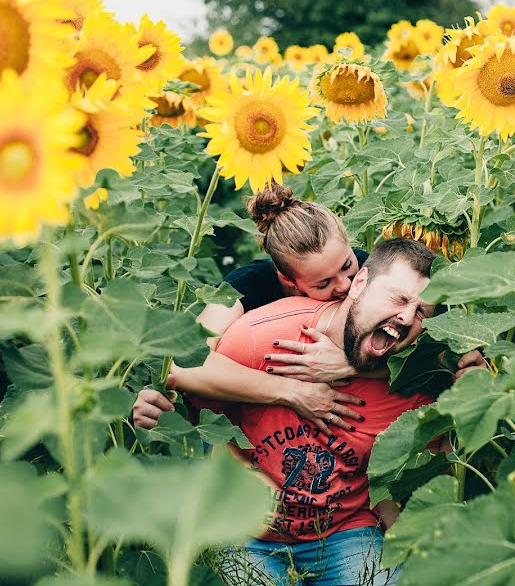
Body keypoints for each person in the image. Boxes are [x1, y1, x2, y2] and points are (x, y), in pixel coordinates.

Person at [179, 238, 441, 586]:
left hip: (345, 532)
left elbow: (433, 461)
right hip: (246, 529)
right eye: (399, 298)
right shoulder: (266, 336)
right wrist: (291, 393)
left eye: (422, 311)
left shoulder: (412, 381)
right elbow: (190, 385)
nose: (408, 315)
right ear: (360, 284)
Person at [135, 182, 379, 434]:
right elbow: (186, 361)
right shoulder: (250, 283)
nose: (345, 285)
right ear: (289, 280)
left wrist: (349, 364)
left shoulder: (370, 269)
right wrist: (293, 392)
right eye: (323, 283)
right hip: (249, 425)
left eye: (347, 265)